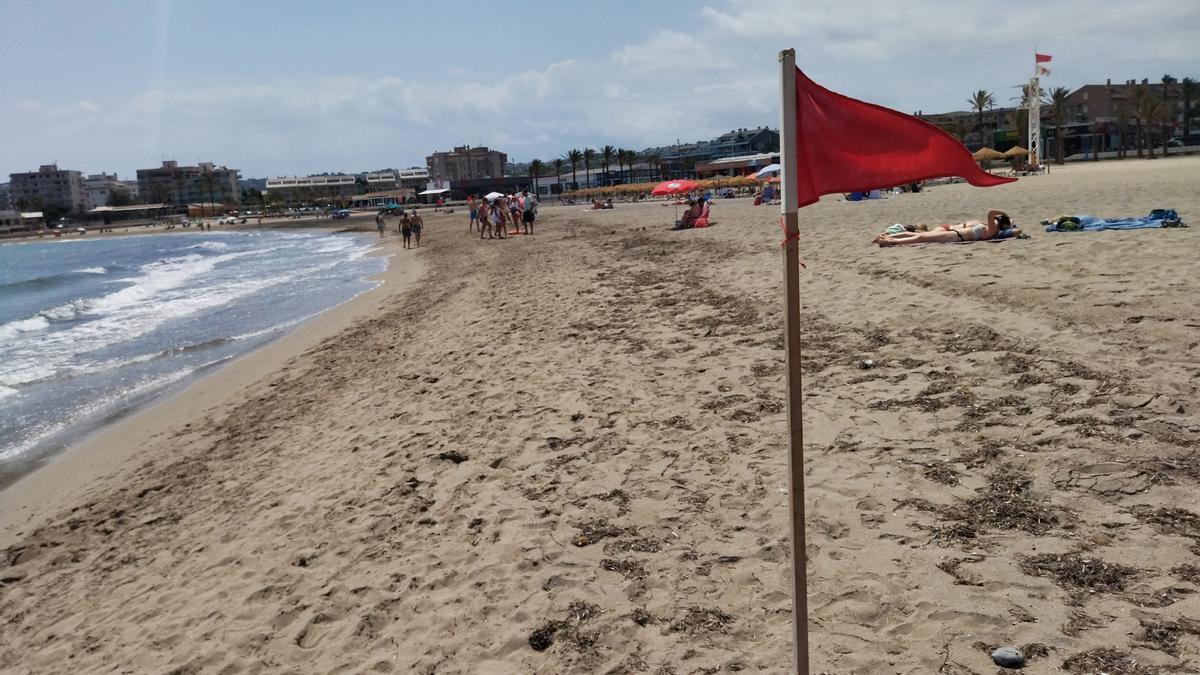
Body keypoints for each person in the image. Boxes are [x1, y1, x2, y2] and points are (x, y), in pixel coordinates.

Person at [872, 210, 1015, 246]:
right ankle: (888, 238)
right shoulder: (990, 229)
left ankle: (891, 241)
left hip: (955, 236)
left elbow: (990, 212)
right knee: (920, 236)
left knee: (921, 238)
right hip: (954, 233)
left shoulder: (992, 231)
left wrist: (1004, 214)